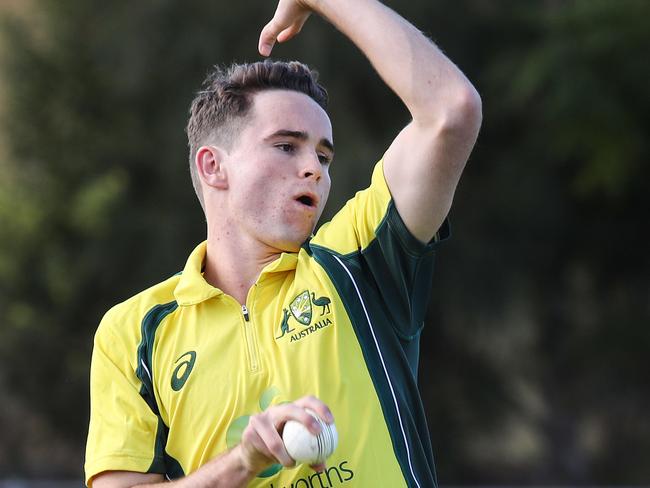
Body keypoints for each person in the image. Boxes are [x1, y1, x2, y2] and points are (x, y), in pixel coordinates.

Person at [84, 0, 481, 486]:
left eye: (324, 154)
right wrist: (243, 461)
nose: (315, 167)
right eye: (286, 146)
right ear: (214, 166)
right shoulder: (132, 331)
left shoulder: (358, 259)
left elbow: (450, 111)